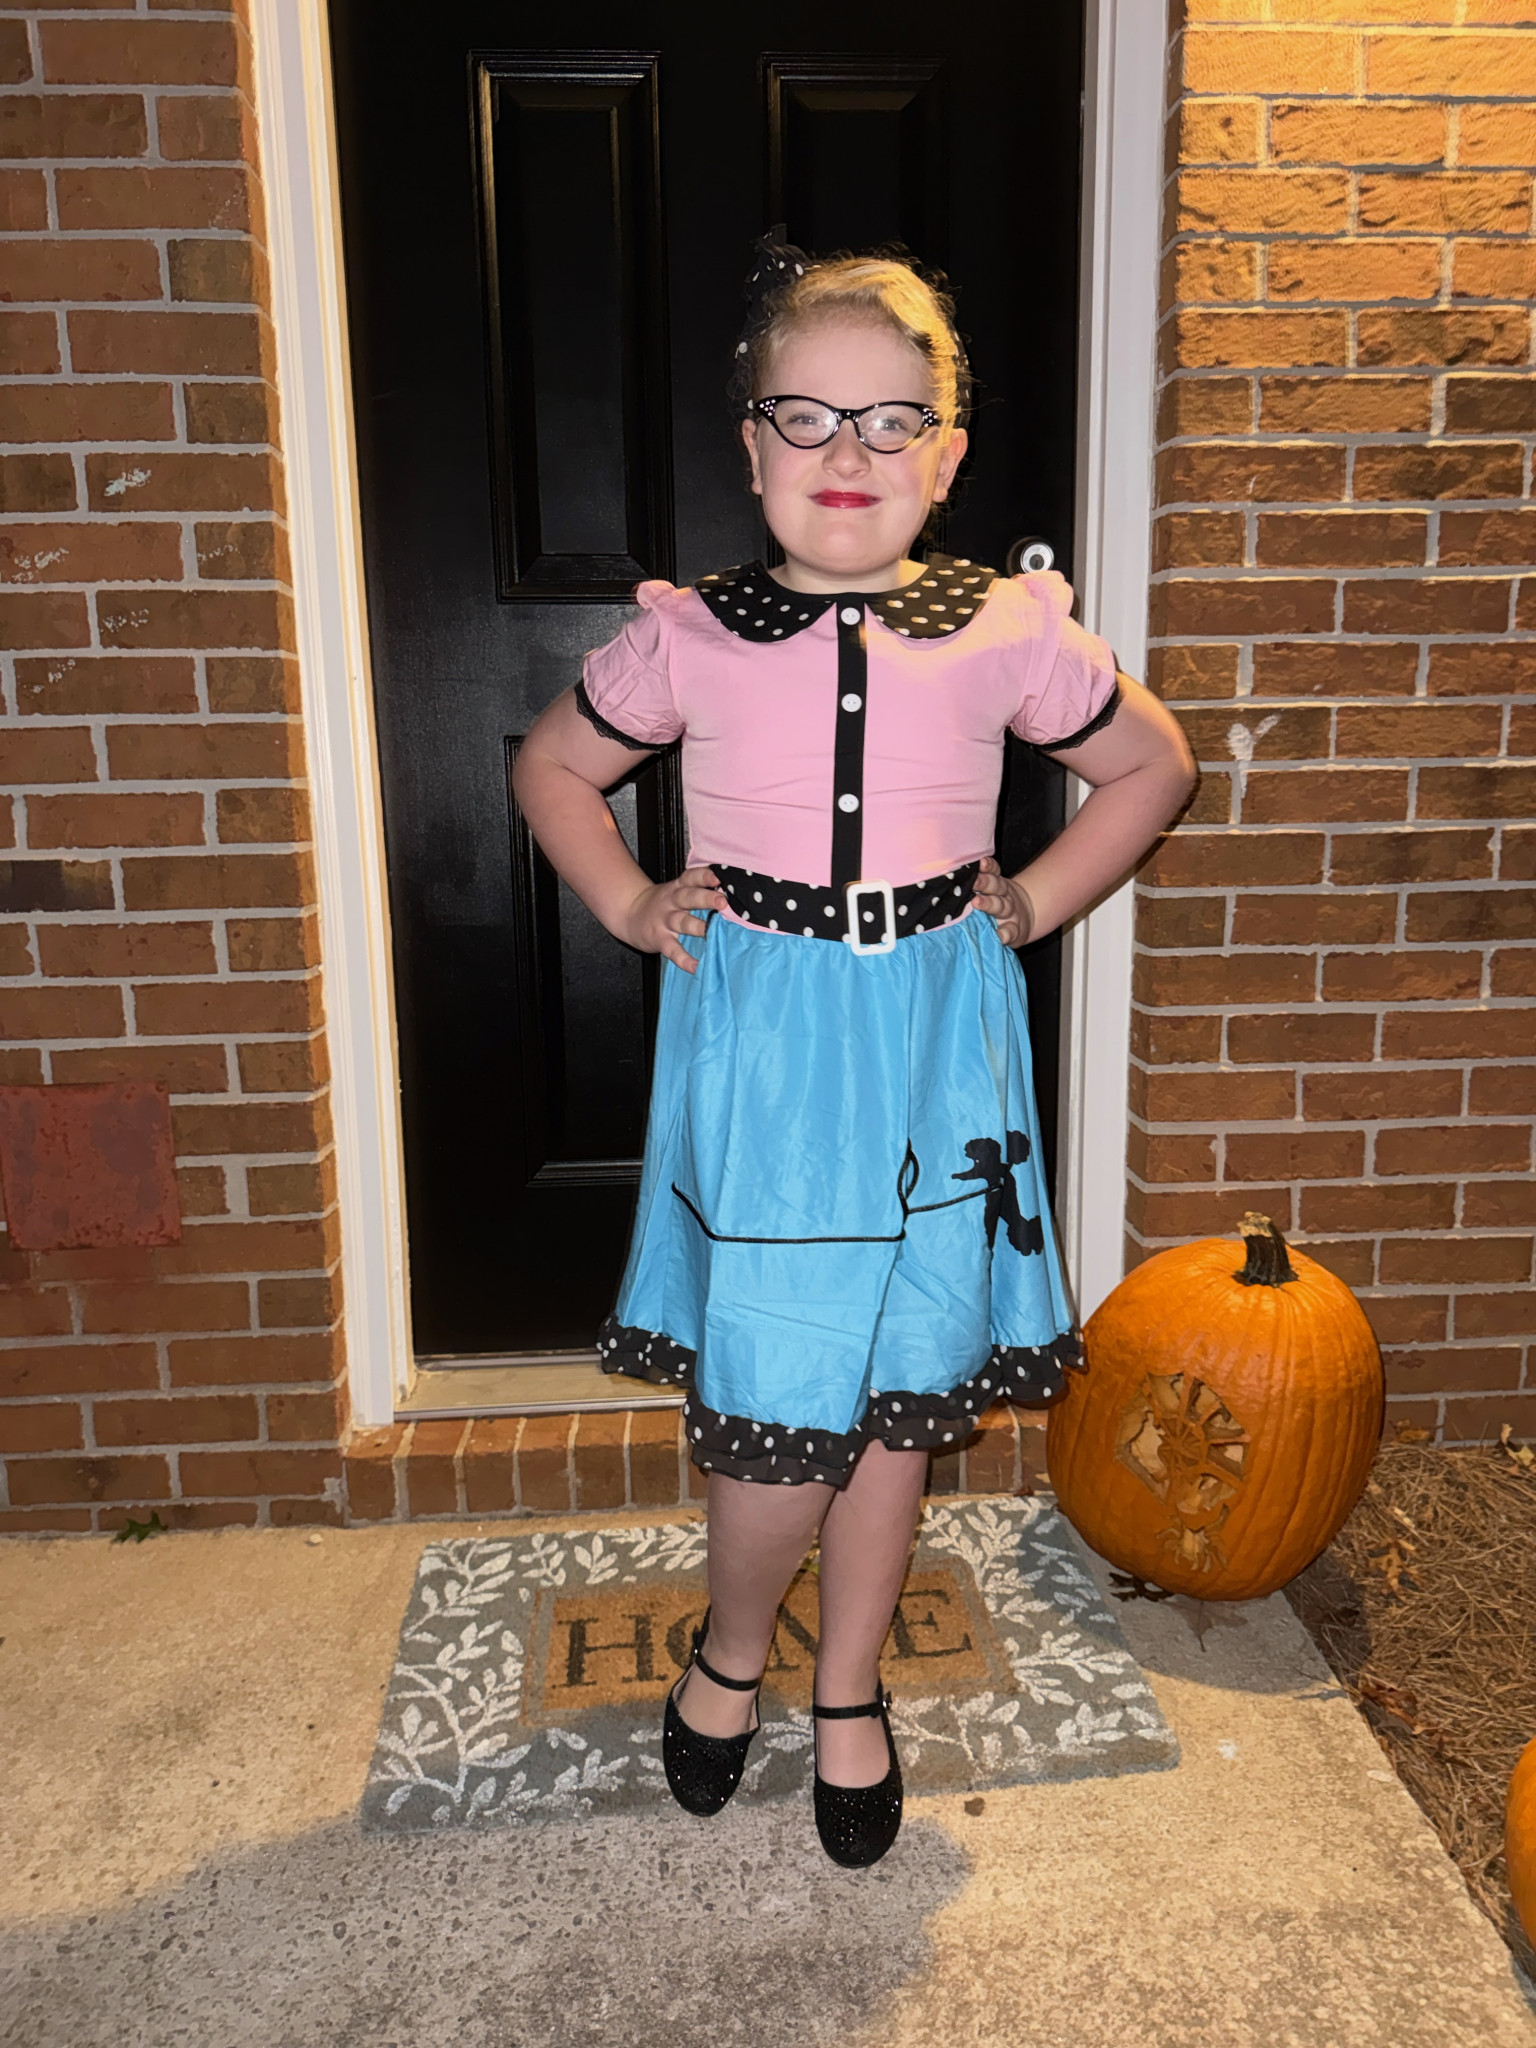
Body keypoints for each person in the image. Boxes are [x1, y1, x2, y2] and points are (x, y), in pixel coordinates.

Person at [511, 239, 1196, 1868]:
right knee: (777, 1385)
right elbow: (553, 769)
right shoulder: (693, 636)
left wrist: (1033, 900)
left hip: (936, 1045)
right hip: (771, 1059)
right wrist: (628, 902)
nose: (848, 454)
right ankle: (730, 1652)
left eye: (893, 422)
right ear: (751, 447)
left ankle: (850, 1682)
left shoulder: (1005, 628)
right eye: (807, 419)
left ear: (947, 458)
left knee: (898, 1388)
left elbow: (1153, 767)